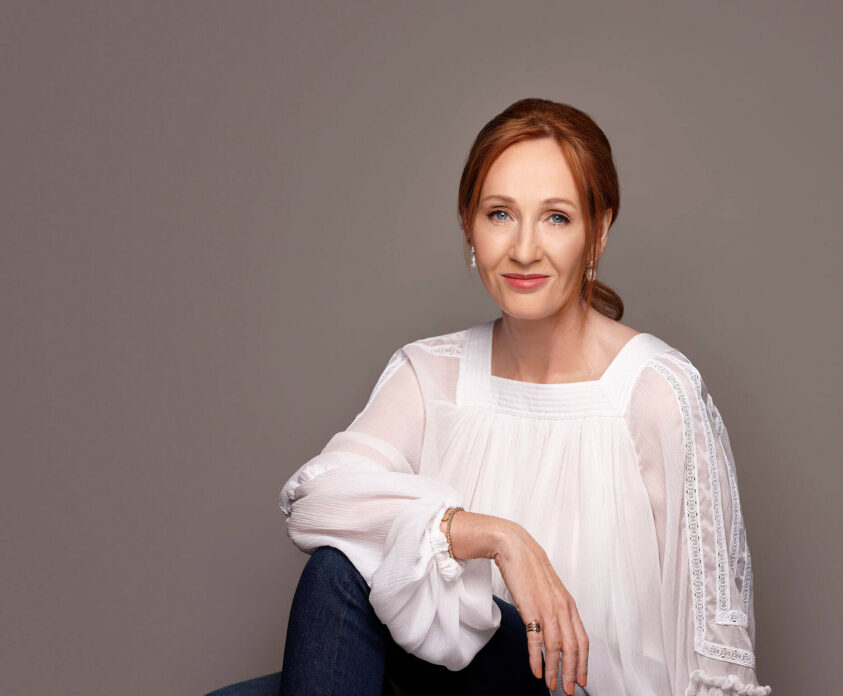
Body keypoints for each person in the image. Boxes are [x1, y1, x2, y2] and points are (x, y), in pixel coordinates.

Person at [277, 97, 772, 696]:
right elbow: (315, 500)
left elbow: (719, 666)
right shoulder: (431, 375)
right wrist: (499, 538)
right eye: (500, 214)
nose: (524, 249)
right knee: (336, 571)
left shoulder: (656, 394)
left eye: (557, 217)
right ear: (469, 223)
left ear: (599, 230)